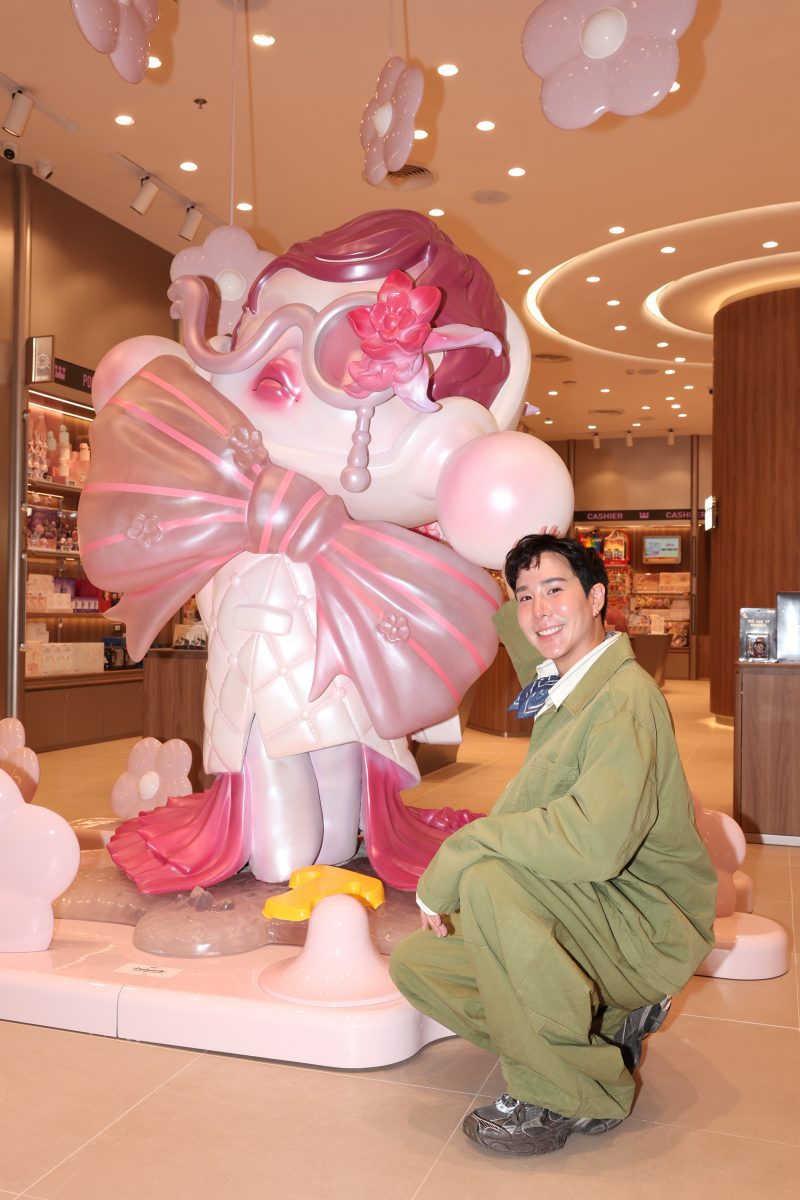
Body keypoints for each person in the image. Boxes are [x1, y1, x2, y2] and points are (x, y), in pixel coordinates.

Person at [390, 533, 717, 1157]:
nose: (539, 610)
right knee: (419, 965)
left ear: (596, 598)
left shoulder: (623, 698)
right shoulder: (565, 683)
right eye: (525, 596)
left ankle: (573, 1092)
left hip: (644, 923)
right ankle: (603, 1030)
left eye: (556, 589)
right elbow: (529, 638)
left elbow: (594, 844)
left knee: (490, 881)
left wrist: (464, 848)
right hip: (591, 905)